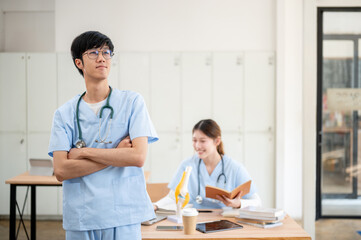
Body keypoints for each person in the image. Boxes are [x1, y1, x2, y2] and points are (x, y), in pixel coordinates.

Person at [48, 31, 158, 240]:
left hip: (123, 213)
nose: (102, 58)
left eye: (107, 52)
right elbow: (61, 170)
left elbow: (137, 157)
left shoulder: (132, 102)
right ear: (79, 63)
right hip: (83, 216)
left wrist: (84, 153)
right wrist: (116, 155)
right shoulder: (64, 114)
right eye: (94, 53)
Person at [154, 119, 261, 210]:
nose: (197, 146)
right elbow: (172, 198)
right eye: (194, 140)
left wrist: (239, 204)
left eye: (202, 141)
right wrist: (155, 205)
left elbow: (257, 202)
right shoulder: (187, 165)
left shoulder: (235, 168)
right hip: (194, 222)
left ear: (217, 141)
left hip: (225, 224)